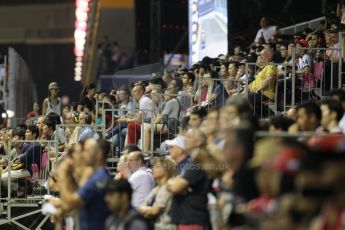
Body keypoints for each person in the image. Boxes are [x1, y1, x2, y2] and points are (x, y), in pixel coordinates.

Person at [53, 138, 111, 230]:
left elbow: (71, 202)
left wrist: (63, 174)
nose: (83, 155)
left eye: (87, 151)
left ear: (99, 154)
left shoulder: (99, 178)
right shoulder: (95, 175)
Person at [166, 135, 210, 229]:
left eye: (172, 147)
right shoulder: (180, 165)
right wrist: (172, 182)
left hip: (192, 218)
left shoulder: (192, 164)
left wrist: (174, 184)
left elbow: (175, 187)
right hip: (184, 217)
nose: (169, 150)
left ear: (181, 150)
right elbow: (171, 184)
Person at [138, 158, 177, 229]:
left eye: (157, 167)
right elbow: (144, 204)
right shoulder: (157, 188)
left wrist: (143, 210)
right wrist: (145, 210)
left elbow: (154, 211)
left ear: (166, 170)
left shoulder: (167, 188)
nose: (153, 169)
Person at [247, 48, 277, 116]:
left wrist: (259, 89)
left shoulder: (271, 65)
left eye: (262, 55)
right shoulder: (263, 67)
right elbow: (255, 82)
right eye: (259, 55)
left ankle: (268, 114)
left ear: (269, 57)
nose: (259, 57)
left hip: (265, 93)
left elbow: (269, 78)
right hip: (257, 93)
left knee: (249, 97)